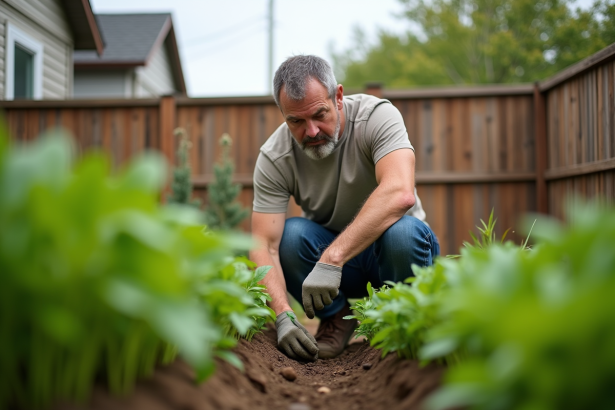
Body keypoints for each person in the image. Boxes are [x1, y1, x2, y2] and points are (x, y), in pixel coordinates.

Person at [249, 55, 439, 361]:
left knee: (403, 234)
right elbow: (263, 244)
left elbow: (400, 193)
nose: (311, 132)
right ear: (282, 115)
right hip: (335, 277)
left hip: (396, 255)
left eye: (319, 114)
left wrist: (332, 258)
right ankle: (336, 319)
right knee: (291, 237)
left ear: (338, 97)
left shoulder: (376, 116)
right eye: (296, 121)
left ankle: (403, 318)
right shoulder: (275, 156)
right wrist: (282, 315)